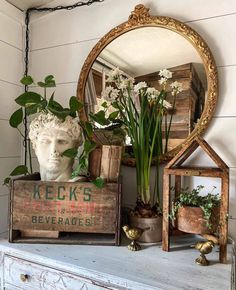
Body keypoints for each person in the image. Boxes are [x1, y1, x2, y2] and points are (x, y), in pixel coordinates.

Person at [29, 112, 83, 181]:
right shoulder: (24, 187)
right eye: (46, 142)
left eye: (62, 142)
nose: (53, 150)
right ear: (35, 147)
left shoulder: (80, 186)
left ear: (75, 148)